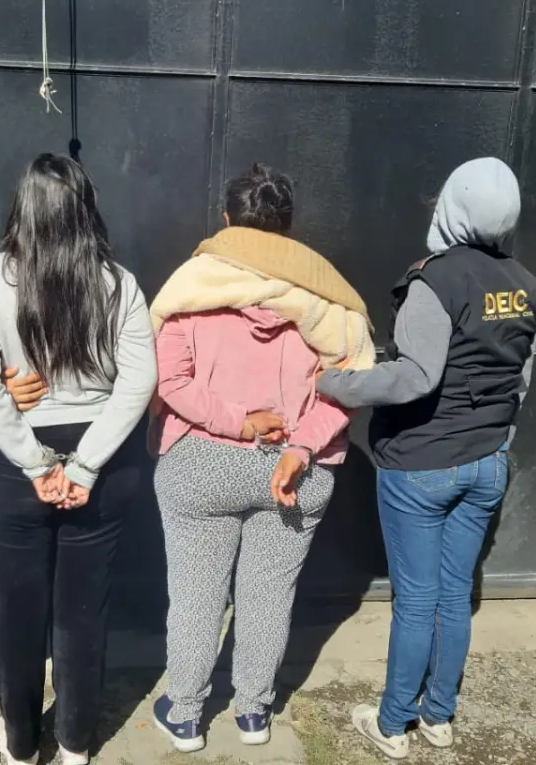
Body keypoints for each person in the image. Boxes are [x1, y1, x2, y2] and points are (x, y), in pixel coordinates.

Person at [317, 158, 536, 759]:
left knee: (416, 600)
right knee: (454, 593)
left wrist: (336, 383)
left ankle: (393, 725)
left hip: (420, 465)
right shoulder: (528, 287)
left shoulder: (434, 281)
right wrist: (496, 444)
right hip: (487, 462)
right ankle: (439, 717)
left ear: (451, 205)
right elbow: (520, 383)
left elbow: (415, 376)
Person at [146, 164, 375, 752]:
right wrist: (300, 446)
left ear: (227, 222)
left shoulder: (191, 288)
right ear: (288, 228)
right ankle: (253, 714)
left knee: (196, 593)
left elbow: (170, 380)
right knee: (269, 595)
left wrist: (236, 422)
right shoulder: (326, 299)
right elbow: (349, 384)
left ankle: (188, 715)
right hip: (294, 470)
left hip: (202, 463)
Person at [0, 153, 157, 765]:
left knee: (14, 616)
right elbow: (138, 384)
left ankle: (18, 744)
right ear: (86, 209)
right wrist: (84, 466)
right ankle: (75, 744)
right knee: (83, 612)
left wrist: (37, 464)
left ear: (23, 208)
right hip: (103, 467)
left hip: (15, 471)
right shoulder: (119, 283)